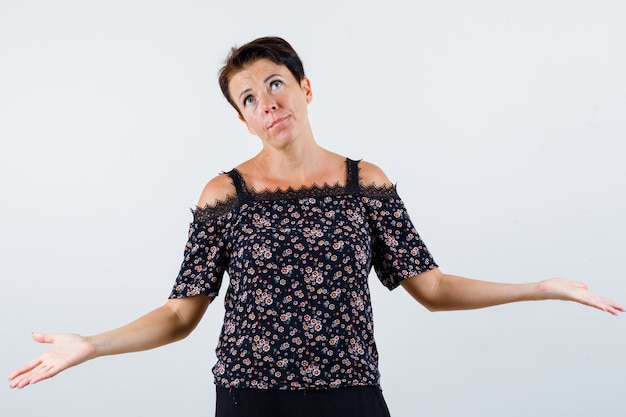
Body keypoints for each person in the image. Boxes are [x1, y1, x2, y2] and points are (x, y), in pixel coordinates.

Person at [8, 36, 623, 417]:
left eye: (275, 83)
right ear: (243, 120)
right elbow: (179, 315)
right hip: (251, 399)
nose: (266, 101)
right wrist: (91, 344)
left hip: (349, 394)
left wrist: (543, 287)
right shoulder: (224, 195)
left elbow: (431, 288)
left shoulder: (367, 182)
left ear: (304, 88)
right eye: (248, 98)